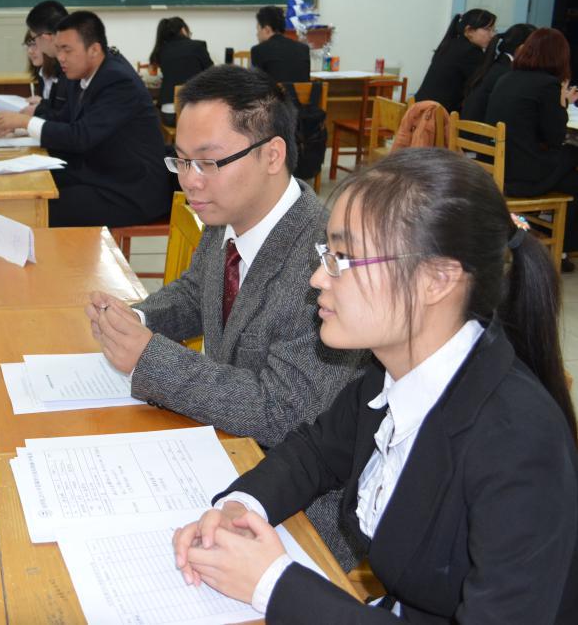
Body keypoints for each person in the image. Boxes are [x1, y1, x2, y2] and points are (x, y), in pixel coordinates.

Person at [172, 148, 578, 624]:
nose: (318, 278)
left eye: (343, 258)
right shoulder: (393, 371)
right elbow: (315, 451)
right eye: (326, 254)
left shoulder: (517, 443)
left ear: (436, 280)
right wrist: (241, 507)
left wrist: (272, 584)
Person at [85, 65, 365, 568]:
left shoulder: (324, 259)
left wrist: (151, 359)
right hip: (222, 447)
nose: (190, 181)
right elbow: (198, 293)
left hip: (300, 501)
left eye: (209, 162)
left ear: (272, 155)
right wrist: (137, 320)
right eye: (182, 161)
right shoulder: (227, 215)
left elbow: (283, 411)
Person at [0, 10, 173, 227]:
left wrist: (25, 122)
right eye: (58, 49)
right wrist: (20, 127)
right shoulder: (83, 73)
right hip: (99, 171)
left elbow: (81, 136)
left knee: (38, 209)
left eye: (67, 50)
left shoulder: (117, 80)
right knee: (30, 185)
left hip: (130, 188)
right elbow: (64, 120)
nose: (60, 57)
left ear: (94, 49)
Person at [484, 27, 578, 270]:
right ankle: (561, 248)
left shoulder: (508, 77)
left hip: (498, 169)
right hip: (522, 177)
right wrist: (562, 103)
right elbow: (555, 137)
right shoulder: (548, 85)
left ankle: (545, 234)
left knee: (569, 172)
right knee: (571, 160)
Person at [414, 8, 497, 114]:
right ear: (469, 31)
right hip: (438, 115)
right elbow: (483, 84)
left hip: (421, 108)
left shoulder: (451, 44)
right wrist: (492, 52)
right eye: (487, 29)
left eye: (493, 30)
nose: (492, 35)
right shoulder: (471, 51)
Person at [460, 22, 536, 121]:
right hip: (483, 129)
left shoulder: (495, 65)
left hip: (468, 128)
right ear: (522, 48)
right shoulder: (508, 73)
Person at [150, 16, 214, 125]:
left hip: (169, 115)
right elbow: (212, 74)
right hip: (196, 115)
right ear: (183, 29)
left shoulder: (161, 50)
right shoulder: (198, 46)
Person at [249, 6, 310, 83]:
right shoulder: (303, 49)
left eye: (258, 29)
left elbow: (255, 84)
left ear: (267, 29)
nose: (257, 34)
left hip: (275, 91)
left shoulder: (258, 50)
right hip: (300, 91)